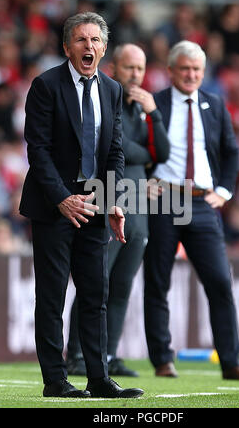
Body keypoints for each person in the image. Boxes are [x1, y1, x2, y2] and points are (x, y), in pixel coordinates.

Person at [19, 11, 144, 399]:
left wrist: (112, 202)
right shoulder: (45, 85)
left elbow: (116, 153)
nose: (88, 47)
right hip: (54, 205)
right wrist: (62, 199)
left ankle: (98, 377)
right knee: (53, 295)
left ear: (104, 48)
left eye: (95, 41)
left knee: (96, 294)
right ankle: (55, 380)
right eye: (81, 40)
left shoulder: (111, 89)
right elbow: (37, 150)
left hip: (94, 205)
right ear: (66, 47)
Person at [143, 40, 239, 381]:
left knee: (220, 282)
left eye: (196, 69)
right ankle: (163, 360)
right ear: (171, 71)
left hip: (203, 202)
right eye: (184, 68)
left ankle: (232, 363)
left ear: (203, 72)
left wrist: (224, 191)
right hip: (164, 200)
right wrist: (146, 180)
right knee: (158, 281)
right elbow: (138, 145)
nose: (191, 74)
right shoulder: (157, 103)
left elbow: (231, 151)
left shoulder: (215, 104)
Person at [67, 43, 170, 377]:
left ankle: (107, 355)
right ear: (114, 67)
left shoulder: (141, 107)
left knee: (122, 284)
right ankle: (78, 354)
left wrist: (154, 113)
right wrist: (148, 153)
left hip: (139, 204)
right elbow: (116, 145)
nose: (136, 75)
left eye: (140, 68)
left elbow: (163, 153)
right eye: (129, 68)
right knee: (96, 279)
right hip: (110, 197)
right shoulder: (106, 98)